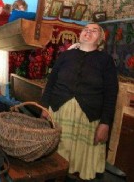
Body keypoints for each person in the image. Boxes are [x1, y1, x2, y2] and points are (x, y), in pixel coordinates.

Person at [40, 23, 119, 181]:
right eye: (85, 30)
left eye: (94, 31)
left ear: (101, 39)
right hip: (59, 112)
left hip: (88, 117)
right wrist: (44, 107)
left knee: (78, 167)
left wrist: (105, 123)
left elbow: (111, 94)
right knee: (54, 161)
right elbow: (51, 83)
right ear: (80, 35)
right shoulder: (65, 56)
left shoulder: (106, 60)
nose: (88, 32)